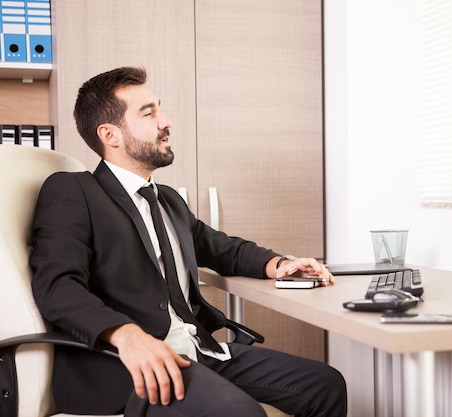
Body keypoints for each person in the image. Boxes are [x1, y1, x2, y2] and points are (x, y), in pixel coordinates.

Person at [30, 66, 347, 417]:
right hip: (131, 367)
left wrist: (281, 264)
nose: (165, 121)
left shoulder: (166, 199)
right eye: (149, 113)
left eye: (159, 109)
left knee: (325, 385)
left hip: (197, 348)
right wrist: (127, 336)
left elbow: (220, 248)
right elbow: (57, 286)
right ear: (110, 134)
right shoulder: (74, 191)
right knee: (242, 414)